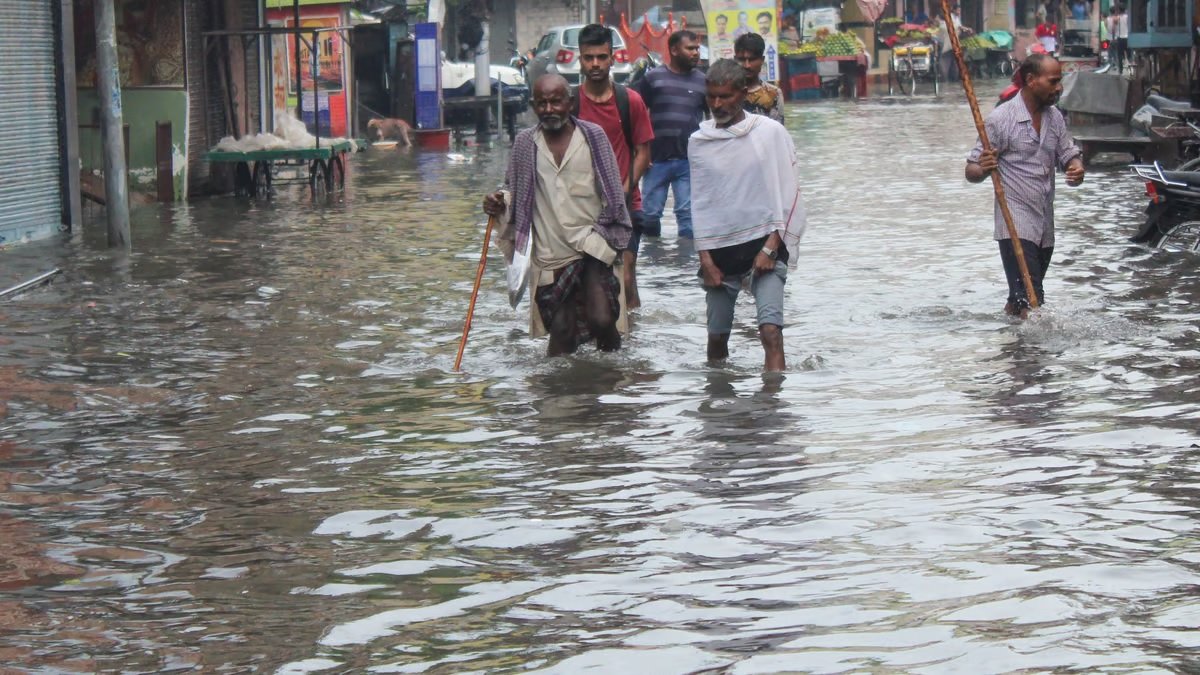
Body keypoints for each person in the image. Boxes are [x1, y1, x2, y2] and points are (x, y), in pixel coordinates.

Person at [483, 74, 633, 355]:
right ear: (532, 106)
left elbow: (614, 195)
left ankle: (615, 380)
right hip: (549, 252)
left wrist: (608, 235)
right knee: (562, 331)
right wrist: (497, 201)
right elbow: (512, 189)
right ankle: (555, 393)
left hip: (592, 244)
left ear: (570, 103)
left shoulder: (593, 137)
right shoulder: (526, 143)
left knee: (602, 318)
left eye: (556, 102)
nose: (549, 110)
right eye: (542, 104)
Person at [688, 59, 806, 372]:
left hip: (764, 247)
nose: (717, 104)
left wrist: (770, 247)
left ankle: (773, 408)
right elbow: (700, 203)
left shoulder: (770, 134)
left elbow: (787, 193)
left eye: (725, 96)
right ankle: (718, 407)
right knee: (716, 341)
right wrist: (706, 262)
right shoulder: (699, 143)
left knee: (770, 332)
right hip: (720, 253)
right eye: (711, 97)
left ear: (742, 94)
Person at [965, 54, 1085, 319]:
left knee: (1022, 300)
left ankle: (1012, 341)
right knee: (1032, 301)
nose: (1059, 88)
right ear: (1031, 81)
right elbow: (971, 170)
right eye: (1053, 81)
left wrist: (1076, 168)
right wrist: (984, 167)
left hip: (1044, 223)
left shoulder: (1054, 118)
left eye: (1059, 81)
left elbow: (1068, 153)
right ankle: (1031, 358)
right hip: (1015, 226)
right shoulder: (1001, 119)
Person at [574, 24, 655, 309]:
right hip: (581, 210)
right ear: (580, 59)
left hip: (626, 206)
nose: (595, 64)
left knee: (626, 280)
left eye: (601, 57)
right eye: (588, 57)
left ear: (612, 57)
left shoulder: (629, 100)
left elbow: (643, 153)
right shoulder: (570, 104)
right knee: (584, 284)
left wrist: (621, 192)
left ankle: (632, 340)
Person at [633, 30, 707, 240]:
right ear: (674, 50)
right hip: (656, 159)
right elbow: (639, 114)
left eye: (697, 49)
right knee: (649, 216)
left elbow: (711, 120)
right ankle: (652, 264)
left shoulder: (703, 81)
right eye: (690, 48)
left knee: (687, 218)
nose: (695, 53)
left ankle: (686, 266)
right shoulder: (652, 78)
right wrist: (641, 152)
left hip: (688, 160)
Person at [734, 33, 784, 123]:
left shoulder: (773, 94)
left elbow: (777, 131)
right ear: (735, 60)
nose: (747, 65)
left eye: (752, 59)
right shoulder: (727, 92)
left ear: (762, 60)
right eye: (742, 59)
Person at [1114, 4, 1130, 73]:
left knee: (1120, 55)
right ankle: (1131, 69)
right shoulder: (1127, 17)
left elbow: (1114, 24)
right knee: (1129, 54)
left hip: (1120, 38)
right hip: (1127, 38)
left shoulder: (1117, 18)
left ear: (1119, 10)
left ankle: (1120, 70)